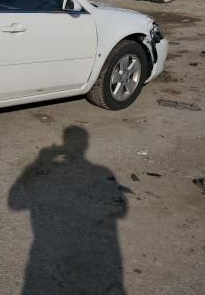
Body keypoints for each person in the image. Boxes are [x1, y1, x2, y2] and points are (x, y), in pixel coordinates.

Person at [8, 126, 128, 295]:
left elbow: (15, 201)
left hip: (52, 256)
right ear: (86, 145)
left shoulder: (53, 173)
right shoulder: (101, 173)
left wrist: (39, 161)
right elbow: (121, 209)